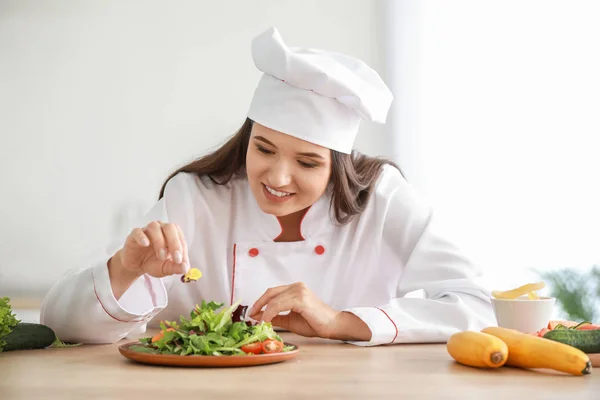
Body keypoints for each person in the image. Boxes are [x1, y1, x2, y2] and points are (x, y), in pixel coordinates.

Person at [40, 27, 496, 346]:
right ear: (246, 139)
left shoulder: (381, 199)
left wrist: (340, 322)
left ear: (338, 167)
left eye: (307, 161)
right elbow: (59, 324)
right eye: (263, 149)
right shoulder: (195, 197)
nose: (277, 178)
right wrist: (125, 268)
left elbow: (478, 307)